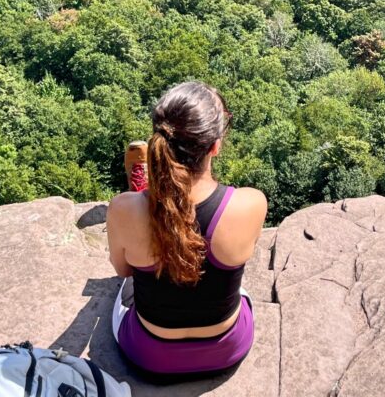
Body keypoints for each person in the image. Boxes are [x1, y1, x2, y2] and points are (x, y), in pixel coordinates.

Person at [106, 82, 268, 382]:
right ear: (215, 145)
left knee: (123, 289)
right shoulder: (250, 203)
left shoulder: (121, 210)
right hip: (227, 350)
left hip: (149, 355)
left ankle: (145, 190)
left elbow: (123, 270)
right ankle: (150, 192)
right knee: (241, 289)